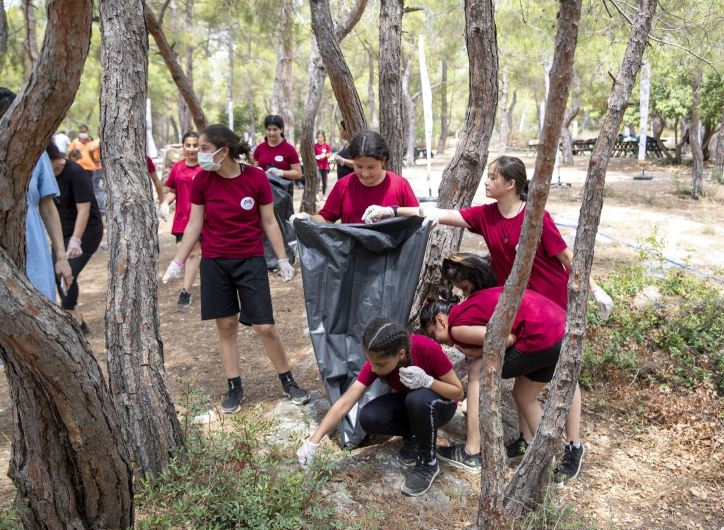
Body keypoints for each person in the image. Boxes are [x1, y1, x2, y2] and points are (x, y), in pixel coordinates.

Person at [162, 124, 309, 413]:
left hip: (250, 261)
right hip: (215, 262)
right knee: (226, 326)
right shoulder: (202, 180)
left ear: (223, 150)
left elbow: (269, 221)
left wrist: (282, 258)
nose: (199, 155)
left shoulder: (255, 178)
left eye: (204, 149)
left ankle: (288, 380)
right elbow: (195, 224)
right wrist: (177, 262)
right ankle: (234, 386)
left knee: (265, 326)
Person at [362, 155, 614, 315]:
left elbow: (567, 257)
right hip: (517, 302)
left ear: (510, 184)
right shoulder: (485, 215)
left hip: (550, 300)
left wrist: (595, 289)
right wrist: (392, 210)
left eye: (493, 177)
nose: (486, 182)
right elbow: (438, 213)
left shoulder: (536, 217)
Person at [420, 253, 587, 484]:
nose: (438, 341)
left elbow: (505, 339)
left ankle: (471, 451)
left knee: (478, 368)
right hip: (560, 331)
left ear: (440, 320)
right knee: (524, 394)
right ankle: (547, 459)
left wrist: (474, 353)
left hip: (542, 337)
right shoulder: (469, 306)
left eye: (433, 335)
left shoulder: (456, 327)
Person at [296, 317, 463, 496]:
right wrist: (313, 442)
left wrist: (428, 381)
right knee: (369, 417)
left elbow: (458, 392)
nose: (374, 369)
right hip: (412, 404)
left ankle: (428, 461)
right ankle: (415, 436)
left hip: (440, 405)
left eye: (381, 364)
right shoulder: (378, 360)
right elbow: (346, 401)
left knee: (417, 398)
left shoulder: (424, 347)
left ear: (401, 353)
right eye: (371, 362)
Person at [0, 89, 72, 302]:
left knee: (39, 305)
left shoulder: (35, 153)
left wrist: (61, 255)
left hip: (34, 249)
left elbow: (47, 206)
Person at [294, 131, 419, 224]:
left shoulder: (399, 185)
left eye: (371, 167)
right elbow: (326, 218)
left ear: (383, 161)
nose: (364, 173)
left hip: (393, 256)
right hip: (351, 254)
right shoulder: (343, 185)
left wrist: (393, 211)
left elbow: (418, 216)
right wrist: (307, 218)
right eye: (358, 166)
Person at [46, 142, 104, 335]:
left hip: (87, 231)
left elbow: (84, 210)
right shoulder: (45, 176)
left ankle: (72, 317)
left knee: (68, 272)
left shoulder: (75, 173)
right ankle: (78, 321)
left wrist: (76, 239)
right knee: (57, 273)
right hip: (61, 233)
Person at [161, 131, 202, 309]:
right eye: (188, 145)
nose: (192, 149)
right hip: (182, 219)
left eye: (195, 145)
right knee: (183, 255)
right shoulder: (177, 168)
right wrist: (164, 203)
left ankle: (185, 291)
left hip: (203, 219)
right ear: (183, 146)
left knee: (193, 253)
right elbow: (173, 191)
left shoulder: (207, 167)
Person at [252, 115, 302, 186]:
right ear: (265, 130)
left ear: (281, 130)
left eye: (275, 129)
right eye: (269, 129)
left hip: (282, 193)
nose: (272, 133)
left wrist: (281, 172)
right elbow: (254, 169)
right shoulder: (260, 148)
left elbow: (298, 174)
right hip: (262, 191)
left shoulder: (289, 149)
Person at [68, 124, 104, 216]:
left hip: (91, 169)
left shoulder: (93, 142)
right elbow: (70, 154)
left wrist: (96, 161)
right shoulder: (76, 142)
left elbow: (93, 152)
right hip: (78, 169)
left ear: (88, 132)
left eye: (84, 132)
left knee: (91, 189)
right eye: (81, 132)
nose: (82, 134)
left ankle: (92, 208)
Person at [313, 130, 331, 197]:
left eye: (320, 137)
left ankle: (324, 194)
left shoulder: (326, 146)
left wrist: (325, 155)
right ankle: (316, 194)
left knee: (324, 181)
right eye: (317, 137)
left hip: (325, 166)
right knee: (317, 179)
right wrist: (316, 157)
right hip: (317, 166)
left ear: (324, 138)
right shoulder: (314, 146)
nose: (319, 139)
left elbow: (329, 154)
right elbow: (312, 155)